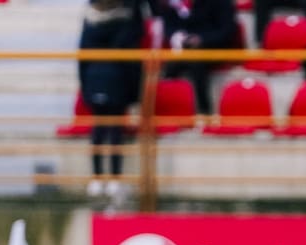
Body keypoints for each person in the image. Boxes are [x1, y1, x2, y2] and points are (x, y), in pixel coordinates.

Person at [79, 0, 145, 201]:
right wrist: (135, 93)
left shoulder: (90, 21)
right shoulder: (128, 21)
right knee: (115, 130)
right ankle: (115, 179)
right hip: (117, 80)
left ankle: (98, 179)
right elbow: (132, 57)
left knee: (99, 130)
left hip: (95, 80)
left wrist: (85, 87)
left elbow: (82, 58)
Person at [157, 0, 238, 116]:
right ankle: (166, 111)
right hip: (183, 48)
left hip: (214, 48)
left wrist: (201, 39)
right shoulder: (174, 3)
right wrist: (178, 37)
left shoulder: (221, 3)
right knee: (169, 65)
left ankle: (204, 110)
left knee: (195, 61)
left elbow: (227, 31)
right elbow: (168, 27)